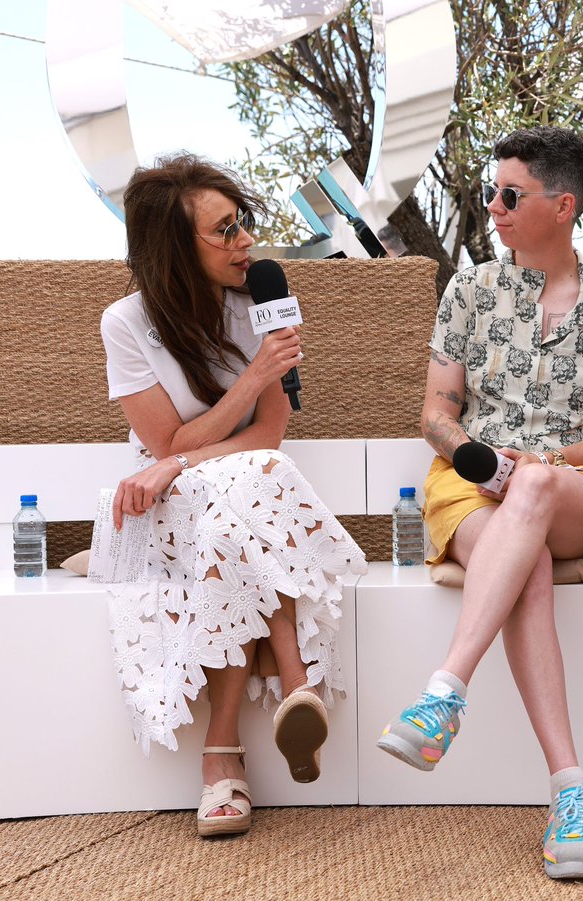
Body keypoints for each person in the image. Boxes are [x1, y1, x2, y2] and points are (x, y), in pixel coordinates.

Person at [376, 126, 583, 880]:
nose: (491, 207)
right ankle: (572, 789)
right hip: (470, 481)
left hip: (578, 489)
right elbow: (435, 412)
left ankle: (444, 692)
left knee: (531, 490)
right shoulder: (468, 291)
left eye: (508, 194)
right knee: (520, 558)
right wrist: (478, 457)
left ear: (563, 206)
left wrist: (540, 464)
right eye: (488, 193)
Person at [100, 152, 366, 837]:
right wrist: (246, 383)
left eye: (242, 221)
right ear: (173, 251)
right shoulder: (126, 324)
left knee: (242, 495)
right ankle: (296, 674)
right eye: (224, 230)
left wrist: (181, 461)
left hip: (243, 488)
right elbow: (162, 444)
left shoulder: (264, 301)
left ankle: (223, 760)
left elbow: (270, 434)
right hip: (156, 506)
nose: (246, 239)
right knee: (240, 493)